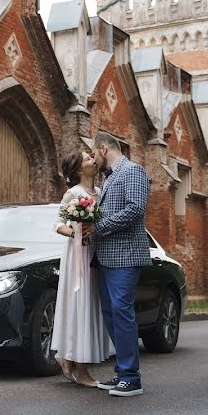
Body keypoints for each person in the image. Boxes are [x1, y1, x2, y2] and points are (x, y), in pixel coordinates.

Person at [84, 132, 150, 397]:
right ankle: (122, 373)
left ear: (103, 149)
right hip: (105, 257)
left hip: (125, 256)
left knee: (122, 313)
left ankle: (132, 379)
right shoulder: (108, 177)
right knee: (112, 314)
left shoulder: (133, 171)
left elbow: (135, 209)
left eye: (93, 153)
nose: (93, 158)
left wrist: (98, 227)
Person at [50, 150, 114, 387]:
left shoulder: (100, 192)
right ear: (78, 169)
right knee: (79, 307)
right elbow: (57, 223)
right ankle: (81, 370)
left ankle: (65, 356)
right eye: (88, 159)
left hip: (96, 255)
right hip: (77, 255)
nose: (92, 160)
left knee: (91, 308)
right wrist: (76, 232)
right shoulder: (73, 193)